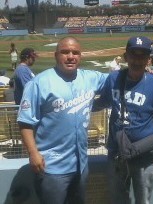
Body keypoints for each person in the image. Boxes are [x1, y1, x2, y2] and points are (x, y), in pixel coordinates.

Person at [17, 37, 107, 204]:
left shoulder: (91, 77)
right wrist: (33, 153)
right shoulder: (38, 83)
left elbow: (117, 79)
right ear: (56, 55)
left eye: (75, 53)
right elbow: (25, 122)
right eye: (65, 52)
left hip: (80, 164)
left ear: (80, 56)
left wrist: (145, 69)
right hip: (51, 166)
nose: (70, 56)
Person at [93, 36, 153, 204]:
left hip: (144, 155)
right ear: (125, 56)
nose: (137, 60)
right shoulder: (114, 78)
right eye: (133, 55)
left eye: (142, 55)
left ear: (149, 59)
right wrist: (81, 106)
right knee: (117, 199)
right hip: (116, 153)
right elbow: (103, 102)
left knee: (143, 200)